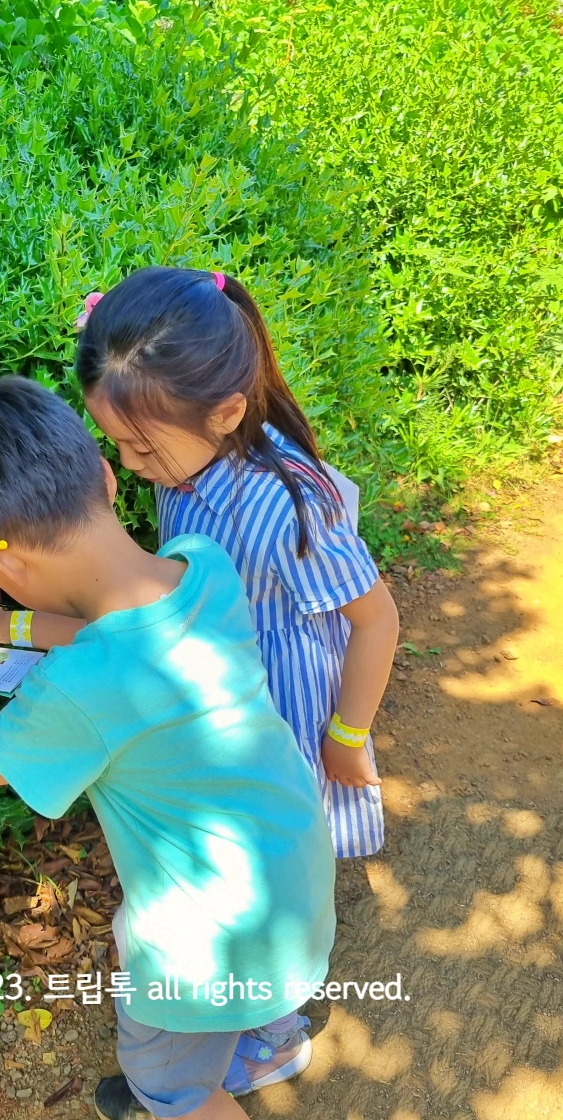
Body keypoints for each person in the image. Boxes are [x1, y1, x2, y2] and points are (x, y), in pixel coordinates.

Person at [0, 377, 345, 1120]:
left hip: (204, 941)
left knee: (173, 1083)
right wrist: (10, 626)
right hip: (290, 866)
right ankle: (258, 1043)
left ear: (4, 565)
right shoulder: (198, 563)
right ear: (104, 477)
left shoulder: (88, 689)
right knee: (236, 1007)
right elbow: (108, 629)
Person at [73, 266, 399, 863]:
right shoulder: (183, 463)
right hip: (217, 699)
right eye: (115, 441)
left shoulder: (283, 508)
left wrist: (348, 737)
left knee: (287, 844)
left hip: (280, 706)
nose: (127, 462)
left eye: (141, 447)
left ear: (224, 414)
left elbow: (377, 620)